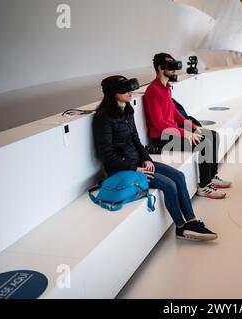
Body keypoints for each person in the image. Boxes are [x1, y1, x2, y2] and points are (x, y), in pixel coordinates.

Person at [92, 75, 217, 241]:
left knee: (179, 176)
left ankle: (192, 222)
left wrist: (147, 159)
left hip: (138, 163)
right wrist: (134, 168)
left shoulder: (127, 110)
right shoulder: (103, 117)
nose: (131, 92)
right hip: (121, 170)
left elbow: (136, 140)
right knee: (169, 184)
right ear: (113, 93)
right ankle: (181, 227)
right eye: (125, 89)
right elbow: (105, 153)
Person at [143, 53, 232, 200]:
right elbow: (159, 123)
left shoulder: (166, 88)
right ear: (160, 68)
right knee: (204, 143)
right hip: (161, 139)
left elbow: (175, 113)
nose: (174, 69)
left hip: (173, 133)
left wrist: (193, 126)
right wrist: (184, 133)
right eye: (170, 65)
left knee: (212, 135)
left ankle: (212, 176)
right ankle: (204, 187)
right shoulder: (152, 91)